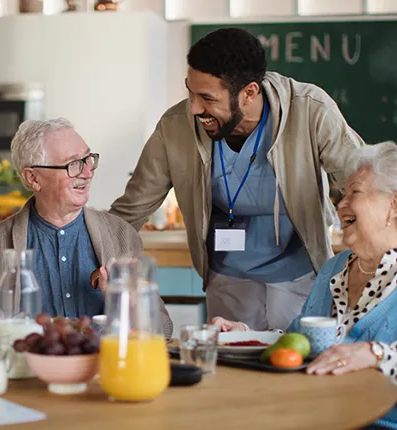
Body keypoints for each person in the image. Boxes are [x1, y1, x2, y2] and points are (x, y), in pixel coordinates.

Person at [109, 27, 365, 331]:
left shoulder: (309, 109)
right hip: (227, 278)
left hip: (300, 276)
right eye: (190, 92)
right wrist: (99, 255)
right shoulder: (175, 128)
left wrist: (364, 258)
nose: (193, 108)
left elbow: (364, 181)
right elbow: (130, 210)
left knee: (296, 363)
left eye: (206, 97)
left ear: (249, 93)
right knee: (234, 368)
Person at [213, 142, 397, 429]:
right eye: (342, 194)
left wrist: (374, 354)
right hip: (324, 416)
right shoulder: (335, 267)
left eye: (354, 192)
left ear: (394, 205)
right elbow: (301, 342)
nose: (340, 204)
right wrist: (244, 336)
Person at [0, 118, 173, 339]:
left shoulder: (121, 235)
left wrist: (129, 302)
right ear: (33, 178)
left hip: (104, 372)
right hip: (25, 372)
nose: (87, 172)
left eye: (88, 159)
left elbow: (163, 330)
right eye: (73, 164)